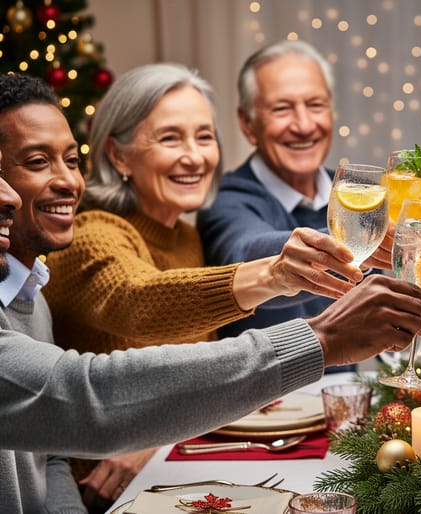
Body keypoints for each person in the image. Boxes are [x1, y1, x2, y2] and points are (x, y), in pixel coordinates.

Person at [38, 63, 371, 511]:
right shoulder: (92, 234)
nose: (194, 156)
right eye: (170, 138)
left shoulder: (186, 237)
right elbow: (141, 300)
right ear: (118, 156)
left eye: (204, 136)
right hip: (102, 493)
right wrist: (272, 274)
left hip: (172, 472)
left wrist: (154, 440)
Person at [197, 39, 392, 341]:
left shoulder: (359, 196)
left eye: (315, 105)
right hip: (268, 389)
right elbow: (244, 254)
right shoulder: (224, 200)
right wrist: (356, 239)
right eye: (282, 108)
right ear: (247, 124)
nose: (303, 125)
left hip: (342, 388)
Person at [0, 72, 87, 512]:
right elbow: (85, 396)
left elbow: (51, 453)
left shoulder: (34, 290)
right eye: (37, 162)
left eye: (71, 160)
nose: (68, 181)